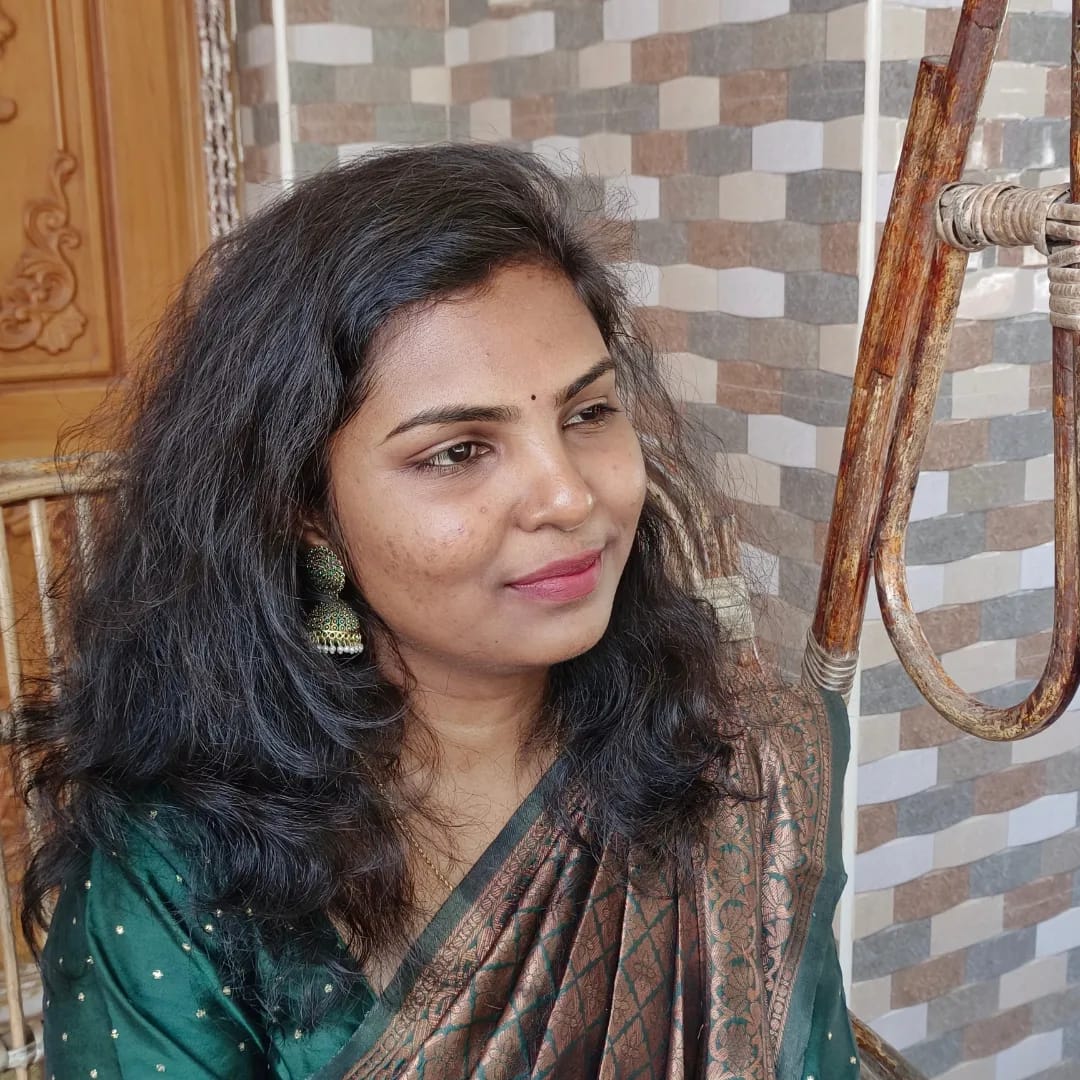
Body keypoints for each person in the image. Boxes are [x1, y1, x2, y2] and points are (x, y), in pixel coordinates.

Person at [20, 144, 857, 1079]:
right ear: (305, 511)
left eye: (587, 414)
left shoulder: (740, 763)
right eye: (458, 451)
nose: (569, 496)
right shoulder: (175, 872)